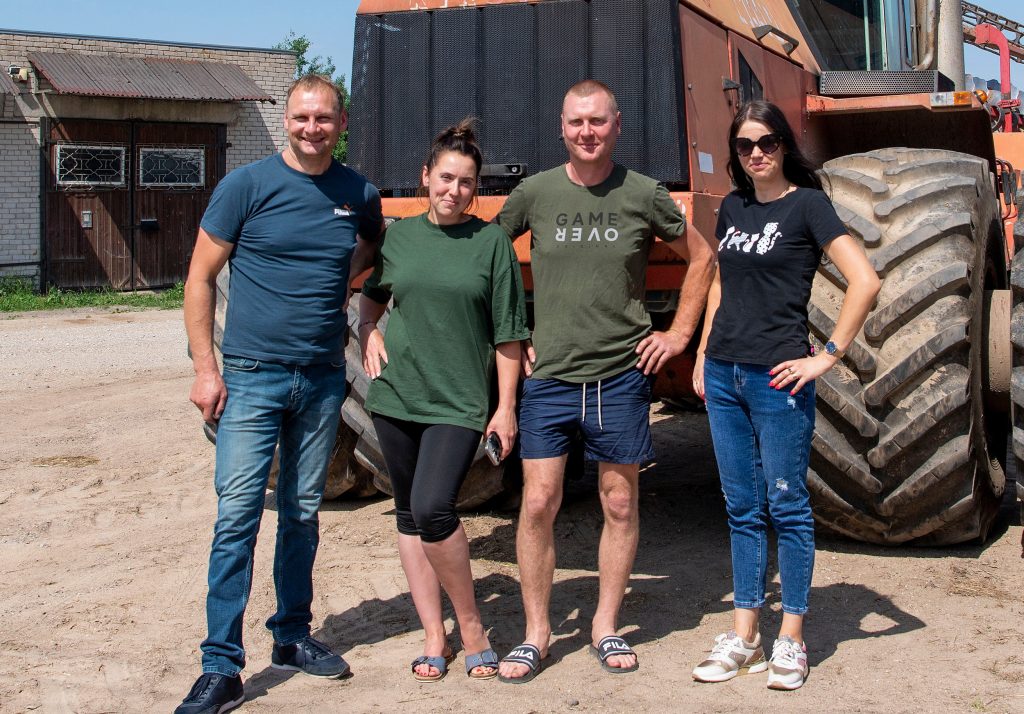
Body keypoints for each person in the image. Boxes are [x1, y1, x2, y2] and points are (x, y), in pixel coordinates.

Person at [495, 80, 716, 683]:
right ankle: (536, 632)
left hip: (620, 377)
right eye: (575, 123)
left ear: (617, 124)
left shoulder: (642, 193)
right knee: (538, 502)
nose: (586, 132)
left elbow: (702, 256)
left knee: (619, 502)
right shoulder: (534, 193)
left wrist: (678, 335)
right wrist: (514, 333)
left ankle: (605, 626)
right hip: (552, 378)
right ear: (560, 127)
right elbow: (487, 258)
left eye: (597, 121)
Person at [176, 75, 383, 714]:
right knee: (238, 515)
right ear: (286, 118)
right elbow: (200, 277)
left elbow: (368, 255)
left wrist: (338, 293)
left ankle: (292, 636)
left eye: (323, 117)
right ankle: (221, 665)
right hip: (252, 376)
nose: (311, 127)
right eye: (301, 116)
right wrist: (207, 369)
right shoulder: (246, 186)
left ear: (340, 121)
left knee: (300, 513)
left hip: (322, 377)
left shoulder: (358, 193)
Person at [690, 100, 880, 690]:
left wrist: (827, 355)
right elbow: (721, 280)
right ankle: (743, 635)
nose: (756, 154)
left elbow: (865, 280)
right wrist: (701, 355)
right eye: (745, 145)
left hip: (779, 380)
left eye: (766, 142)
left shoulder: (808, 205)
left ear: (783, 145)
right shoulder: (733, 208)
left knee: (788, 506)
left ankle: (791, 638)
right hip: (724, 376)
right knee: (742, 507)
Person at [358, 119, 529, 682]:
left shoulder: (491, 243)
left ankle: (472, 625)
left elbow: (508, 334)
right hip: (396, 395)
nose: (453, 190)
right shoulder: (399, 237)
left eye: (465, 182)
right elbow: (373, 295)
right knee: (408, 515)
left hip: (458, 402)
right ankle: (435, 634)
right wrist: (371, 332)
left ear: (476, 190)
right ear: (425, 177)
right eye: (445, 178)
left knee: (434, 508)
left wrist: (504, 407)